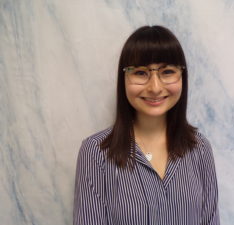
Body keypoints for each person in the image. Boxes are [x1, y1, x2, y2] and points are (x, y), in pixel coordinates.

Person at [73, 25, 220, 225]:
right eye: (141, 73)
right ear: (123, 78)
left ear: (182, 77)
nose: (155, 87)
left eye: (167, 71)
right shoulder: (96, 153)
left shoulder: (200, 149)